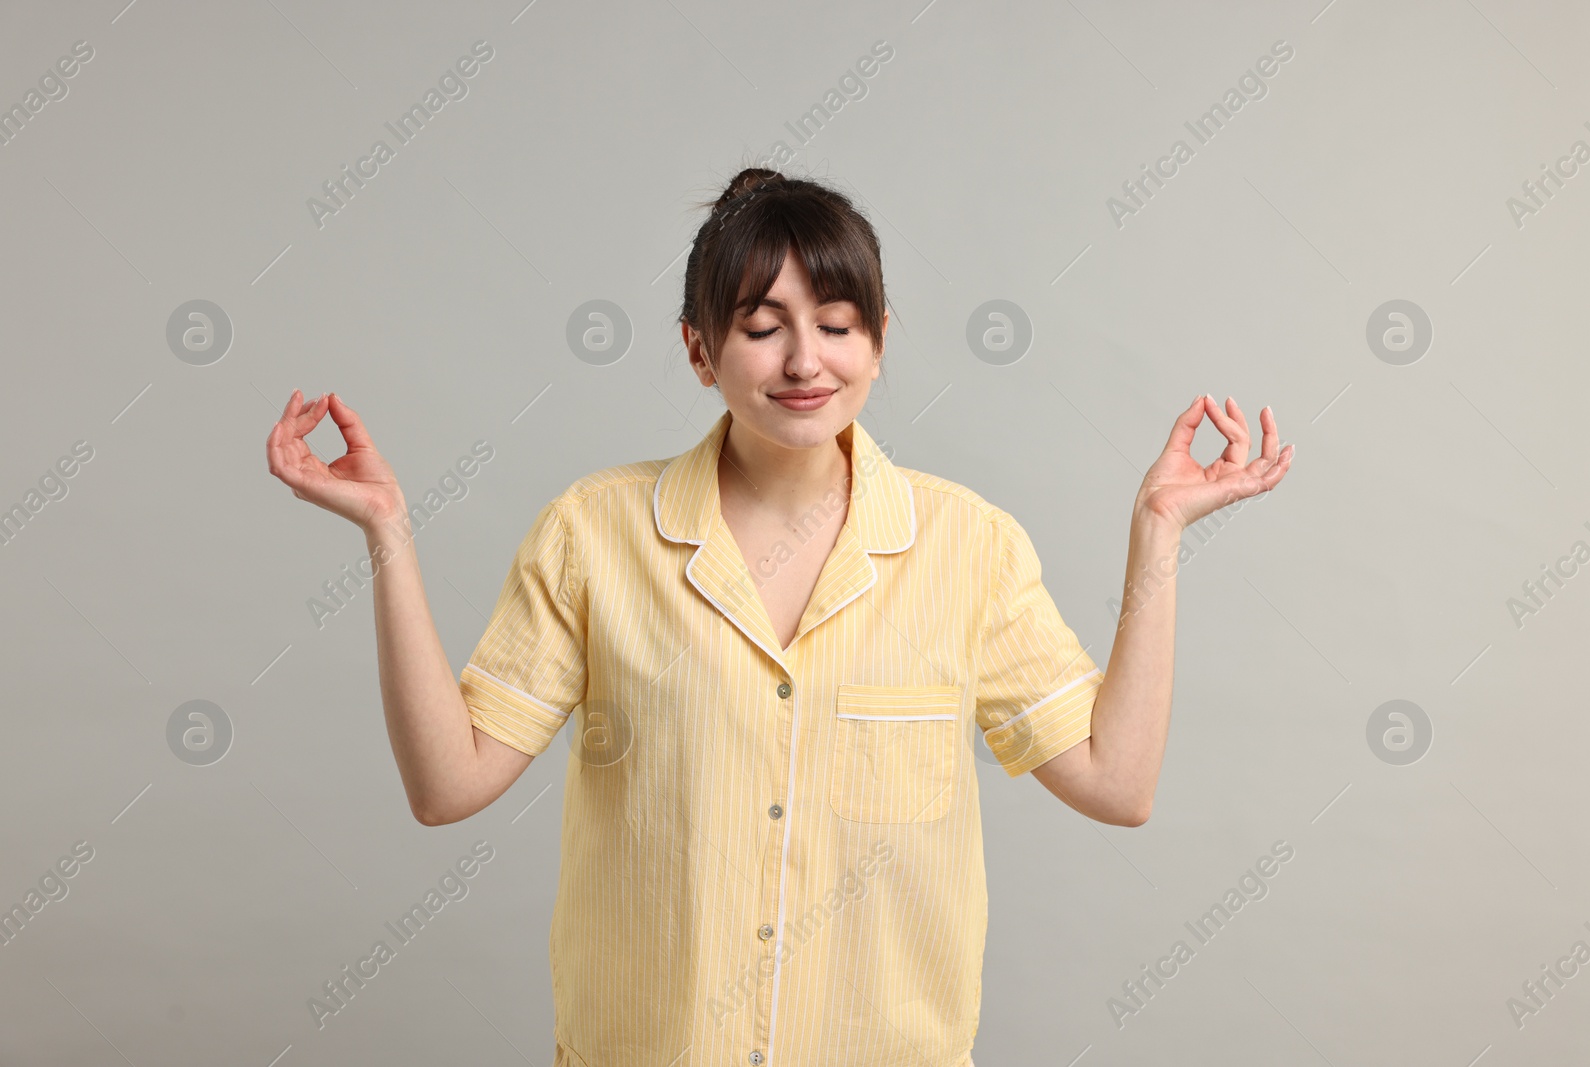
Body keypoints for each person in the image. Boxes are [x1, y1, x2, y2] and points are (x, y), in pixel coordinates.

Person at [266, 167, 1292, 1067]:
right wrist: (387, 532)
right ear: (698, 350)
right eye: (761, 327)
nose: (805, 359)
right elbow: (449, 785)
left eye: (837, 324)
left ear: (879, 342)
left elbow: (1117, 783)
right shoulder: (593, 533)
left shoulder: (967, 545)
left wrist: (1158, 533)